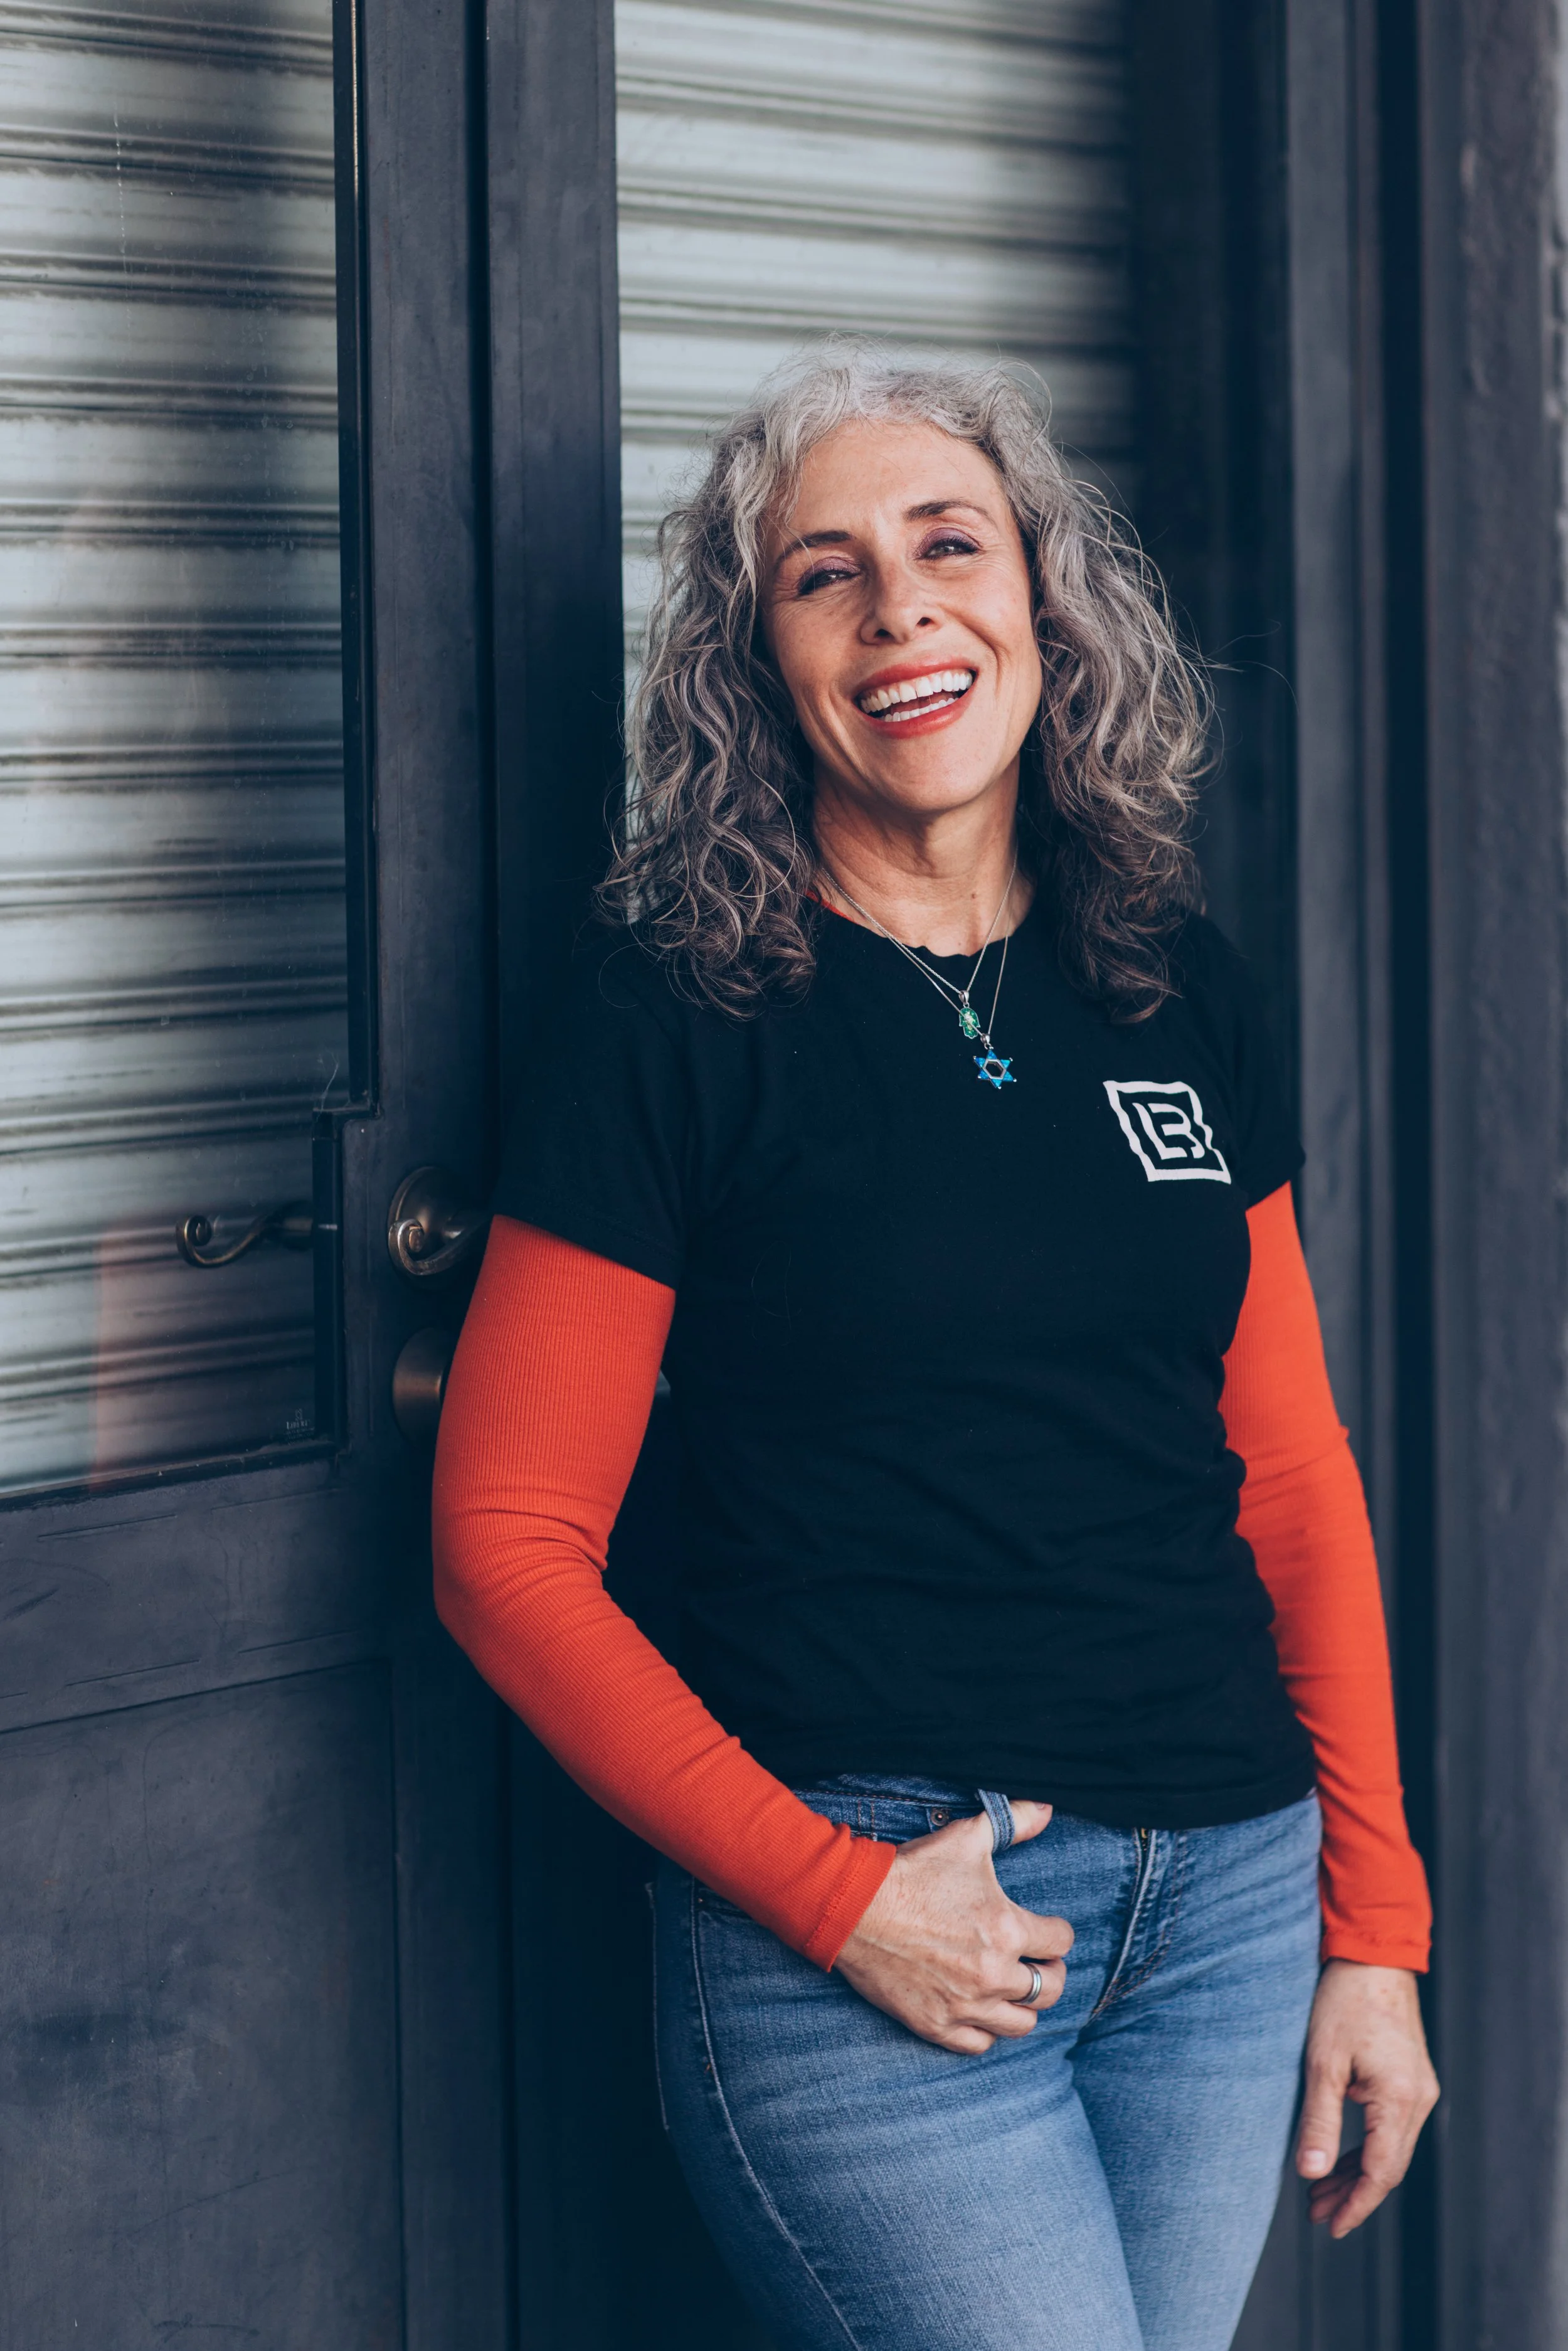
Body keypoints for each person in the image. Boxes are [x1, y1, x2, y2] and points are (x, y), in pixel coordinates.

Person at [432, 351, 1437, 2351]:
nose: (901, 607)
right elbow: (504, 1542)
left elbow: (1290, 1475)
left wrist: (1371, 1929)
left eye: (947, 544)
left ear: (1042, 608)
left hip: (1230, 1906)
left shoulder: (1161, 974)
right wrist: (837, 1895)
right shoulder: (675, 1017)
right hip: (881, 1912)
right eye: (826, 574)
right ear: (755, 663)